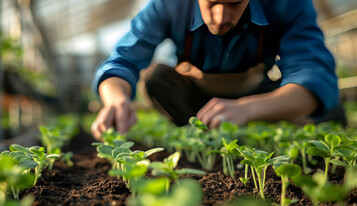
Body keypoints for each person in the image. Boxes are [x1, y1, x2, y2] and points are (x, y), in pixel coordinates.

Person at [90, 0, 346, 139]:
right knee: (158, 78)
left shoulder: (287, 4)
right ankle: (200, 133)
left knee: (330, 109)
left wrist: (248, 109)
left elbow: (315, 75)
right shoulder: (167, 5)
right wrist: (116, 100)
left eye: (234, 3)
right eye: (211, 2)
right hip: (198, 98)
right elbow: (122, 61)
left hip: (257, 95)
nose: (221, 16)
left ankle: (251, 121)